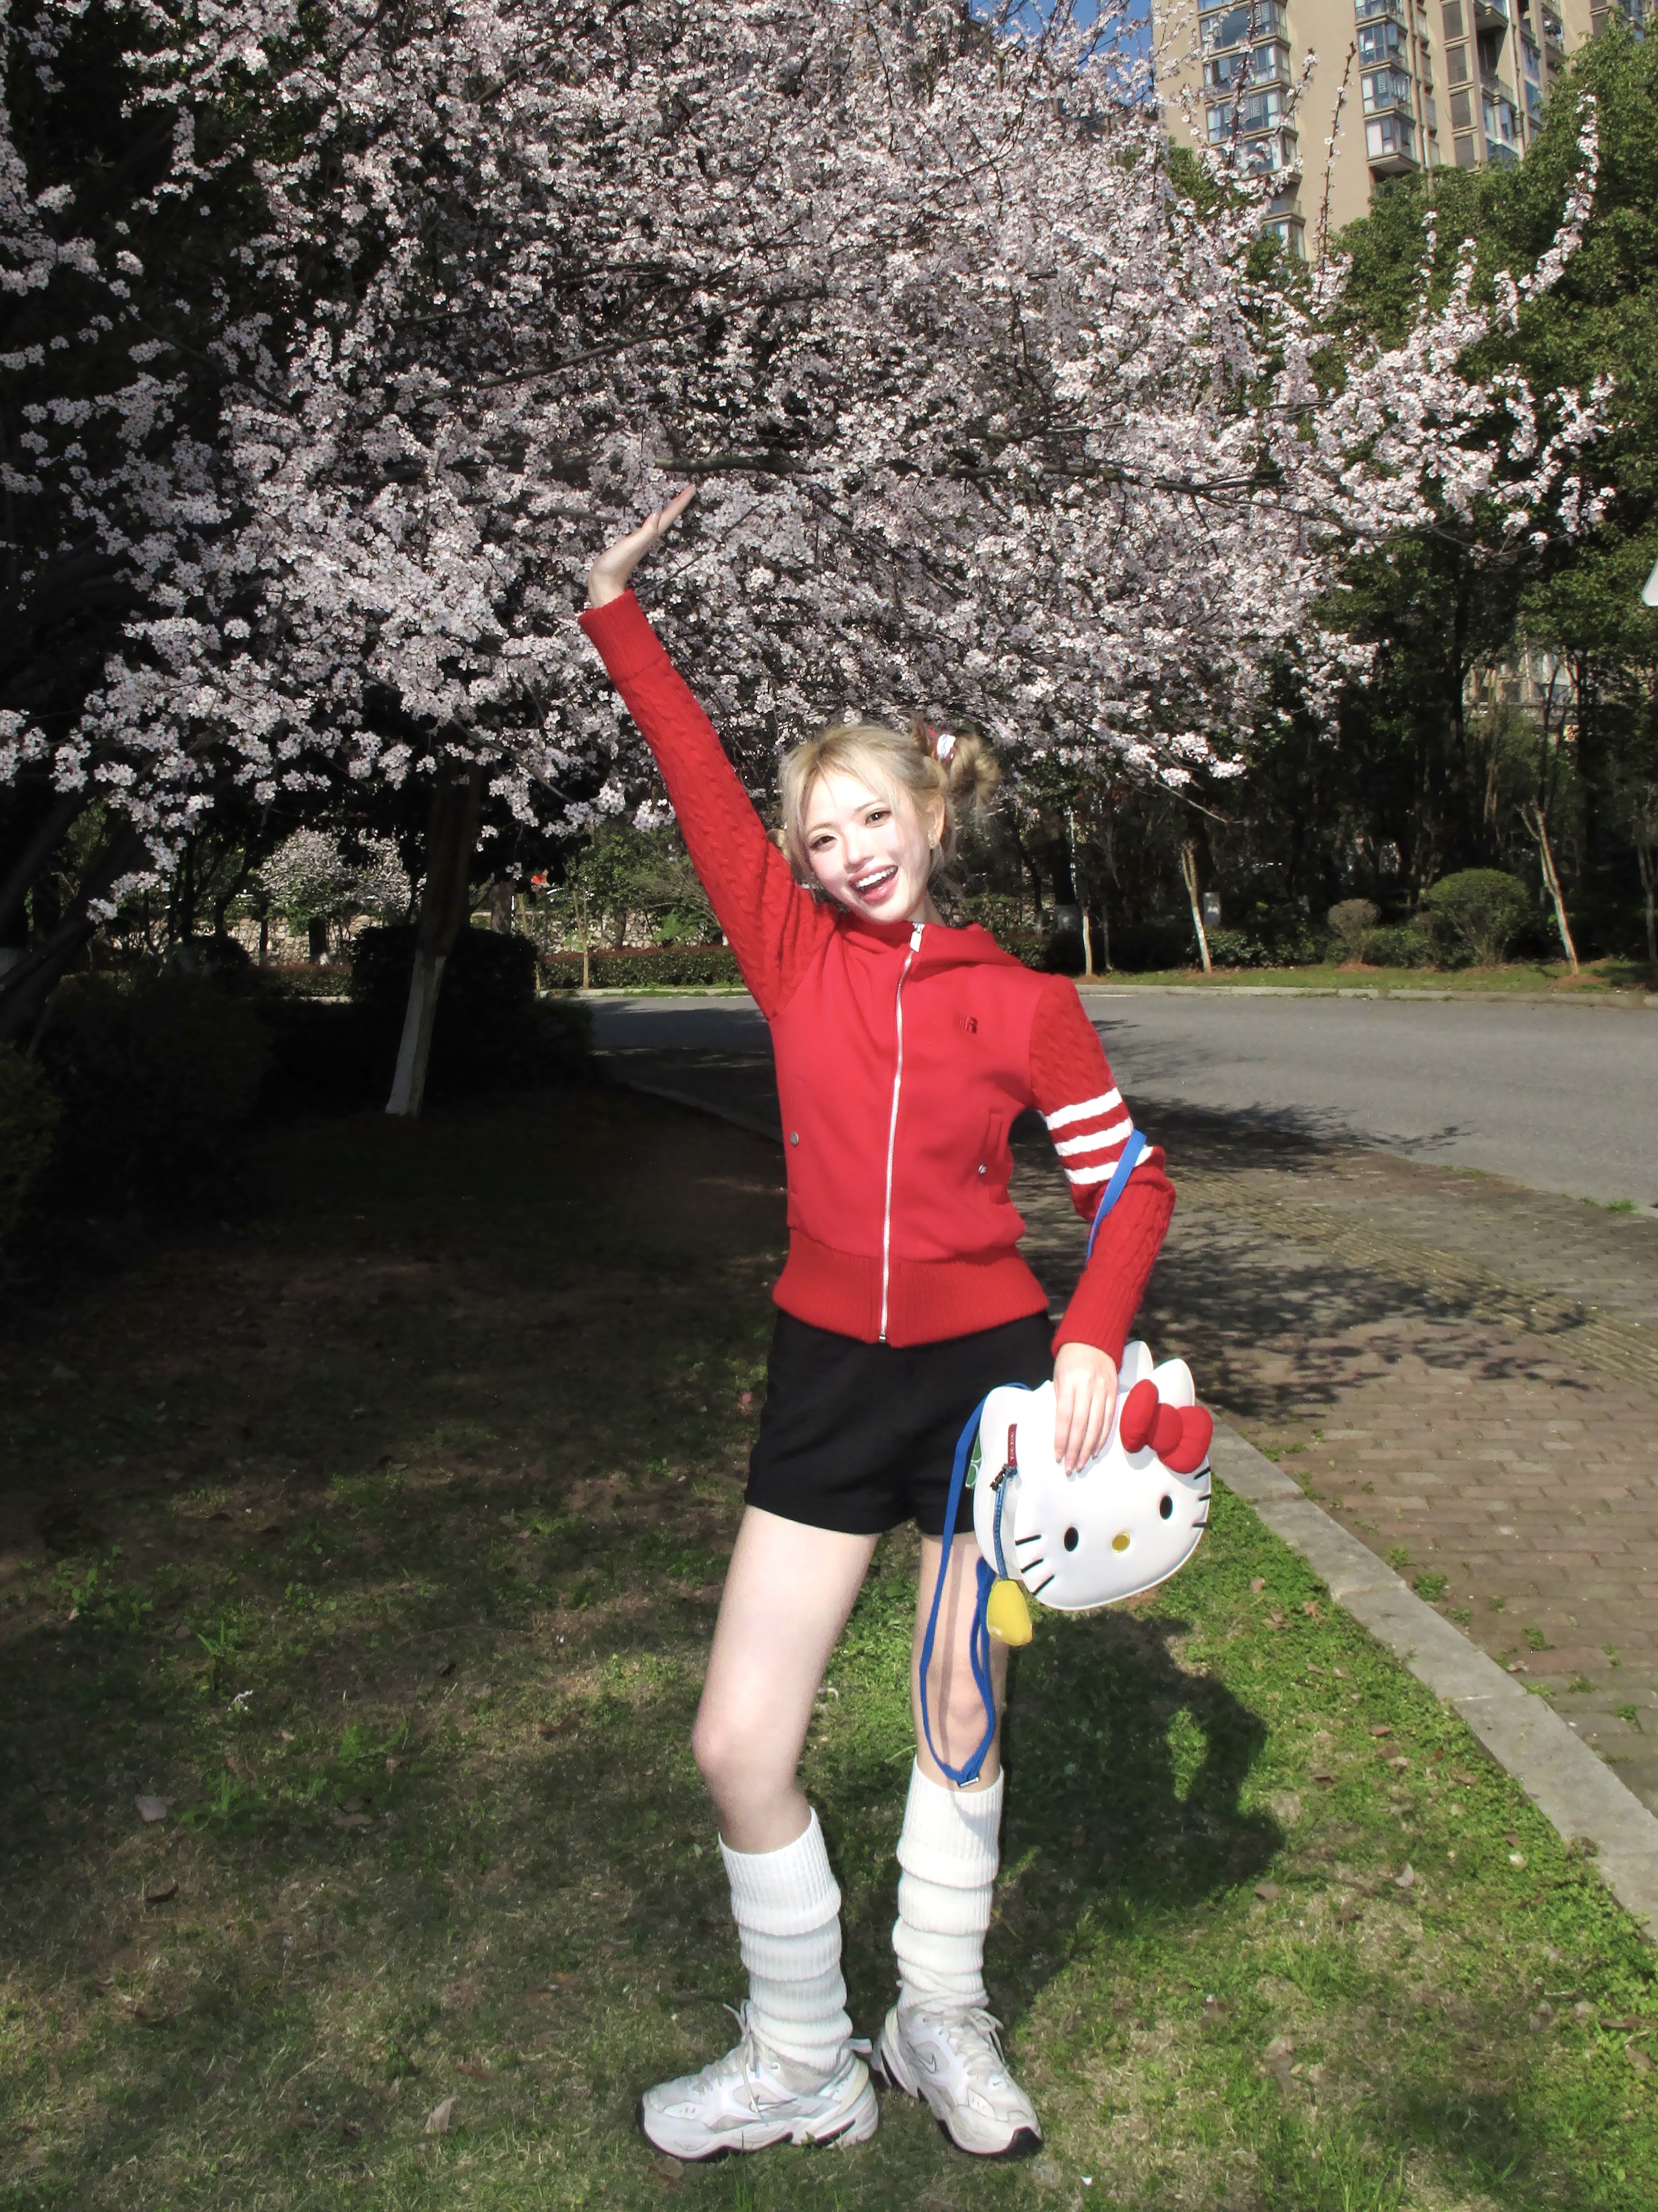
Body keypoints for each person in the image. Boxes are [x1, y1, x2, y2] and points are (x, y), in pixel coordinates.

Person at [580, 491, 1174, 2163]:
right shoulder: (791, 956)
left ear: (927, 809)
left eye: (868, 816)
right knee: (735, 1741)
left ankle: (936, 2011)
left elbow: (1130, 1184)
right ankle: (798, 2057)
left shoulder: (1026, 1003)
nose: (846, 850)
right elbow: (698, 784)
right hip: (829, 1378)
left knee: (955, 1717)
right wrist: (616, 610)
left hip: (989, 1395)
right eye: (818, 831)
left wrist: (1085, 1337)